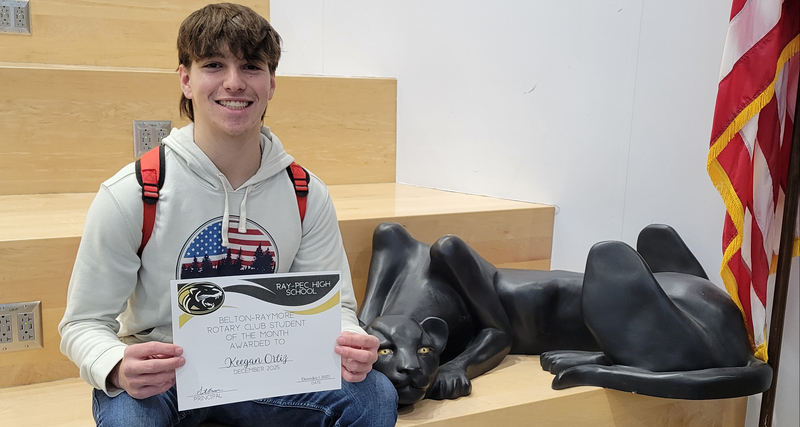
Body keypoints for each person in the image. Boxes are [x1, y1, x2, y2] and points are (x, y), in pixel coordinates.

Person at [58, 3, 398, 426]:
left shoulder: (305, 193)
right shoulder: (133, 192)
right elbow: (83, 324)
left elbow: (336, 309)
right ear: (186, 79)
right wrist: (116, 365)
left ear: (272, 83)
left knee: (374, 397)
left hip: (270, 370)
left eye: (251, 66)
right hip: (166, 379)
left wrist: (349, 341)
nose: (234, 83)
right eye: (214, 65)